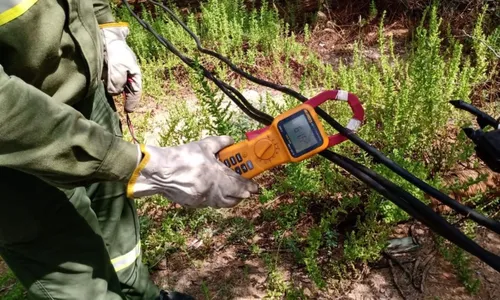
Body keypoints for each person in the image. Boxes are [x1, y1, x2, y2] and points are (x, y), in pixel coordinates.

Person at [0, 0, 259, 299]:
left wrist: (107, 30)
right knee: (74, 273)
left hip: (88, 98)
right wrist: (152, 167)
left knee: (119, 238)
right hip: (16, 151)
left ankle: (141, 295)